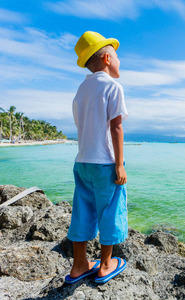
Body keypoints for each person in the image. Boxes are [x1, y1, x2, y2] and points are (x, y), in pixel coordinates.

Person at [64, 31, 128, 285]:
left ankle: (79, 265)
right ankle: (104, 265)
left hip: (82, 162)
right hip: (105, 163)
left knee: (82, 210)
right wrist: (119, 164)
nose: (119, 61)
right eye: (117, 56)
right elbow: (116, 128)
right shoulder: (113, 86)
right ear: (106, 58)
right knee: (110, 210)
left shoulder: (81, 89)